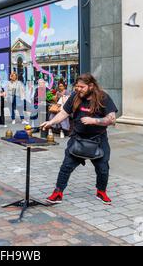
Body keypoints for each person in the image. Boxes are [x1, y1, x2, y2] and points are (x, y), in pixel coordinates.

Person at [42, 73, 118, 205]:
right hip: (78, 139)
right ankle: (58, 193)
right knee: (66, 166)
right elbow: (64, 113)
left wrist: (93, 120)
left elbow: (112, 119)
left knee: (103, 169)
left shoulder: (103, 97)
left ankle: (101, 191)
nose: (78, 89)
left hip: (98, 140)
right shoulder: (75, 97)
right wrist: (51, 122)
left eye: (81, 87)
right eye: (76, 86)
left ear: (91, 86)